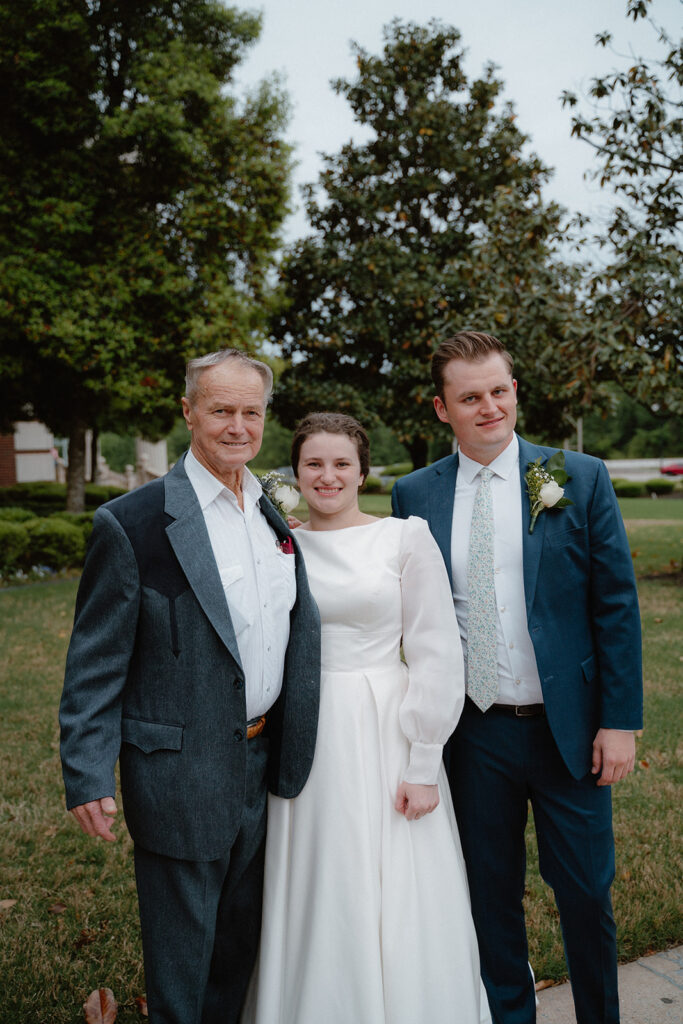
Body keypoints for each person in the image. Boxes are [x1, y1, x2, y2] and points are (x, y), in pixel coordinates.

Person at [59, 349, 321, 1024]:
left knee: (237, 950)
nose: (237, 426)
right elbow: (95, 660)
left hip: (264, 763)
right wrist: (87, 771)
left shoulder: (270, 509)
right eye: (221, 410)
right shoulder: (135, 522)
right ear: (188, 412)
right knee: (182, 963)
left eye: (251, 412)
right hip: (178, 769)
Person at [392, 331, 643, 1024]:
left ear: (513, 392)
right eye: (469, 397)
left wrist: (618, 720)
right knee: (487, 895)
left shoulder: (576, 477)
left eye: (498, 391)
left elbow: (615, 604)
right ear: (442, 409)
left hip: (568, 730)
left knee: (586, 894)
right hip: (472, 734)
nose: (488, 407)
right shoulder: (412, 493)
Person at [242, 412, 490, 1024]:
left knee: (394, 881)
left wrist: (424, 761)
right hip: (306, 729)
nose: (327, 476)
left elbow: (436, 651)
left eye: (341, 463)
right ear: (295, 472)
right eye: (313, 464)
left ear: (362, 470)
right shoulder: (280, 543)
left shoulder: (404, 538)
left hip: (384, 727)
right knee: (319, 877)